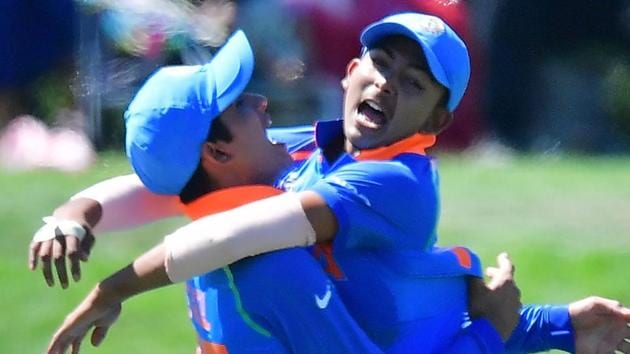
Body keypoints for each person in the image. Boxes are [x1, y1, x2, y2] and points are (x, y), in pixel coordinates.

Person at [34, 13, 630, 354]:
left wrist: (90, 247)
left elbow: (197, 219)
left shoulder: (391, 181)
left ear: (438, 121)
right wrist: (74, 217)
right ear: (351, 73)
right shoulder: (286, 166)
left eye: (415, 84)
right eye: (381, 65)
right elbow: (168, 199)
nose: (263, 102)